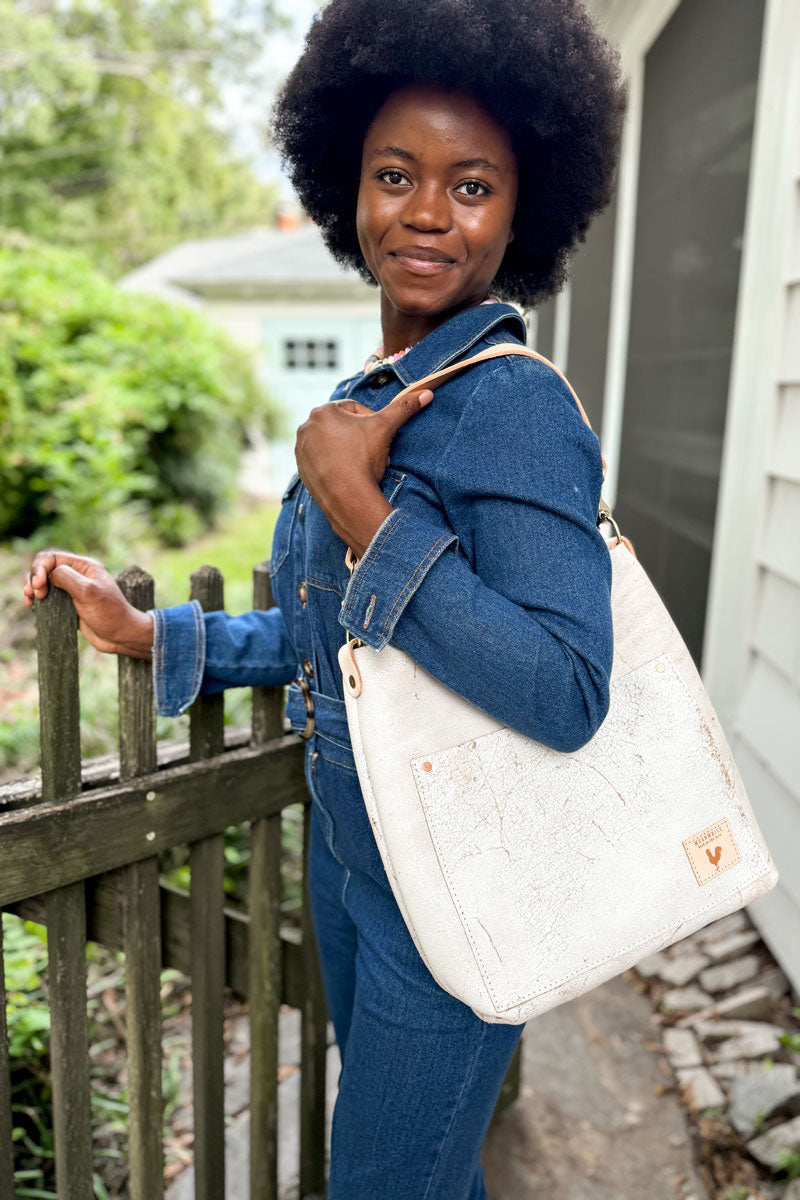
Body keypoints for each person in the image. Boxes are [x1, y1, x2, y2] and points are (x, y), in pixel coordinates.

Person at [24, 0, 626, 1195]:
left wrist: (364, 511)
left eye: (472, 186)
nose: (424, 211)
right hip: (356, 869)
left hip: (454, 893)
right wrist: (155, 632)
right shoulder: (378, 392)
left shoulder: (508, 405)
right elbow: (327, 637)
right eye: (395, 173)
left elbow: (565, 690)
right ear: (344, 183)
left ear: (524, 208)